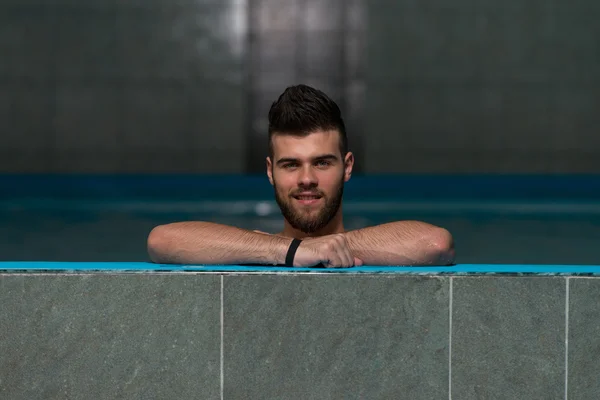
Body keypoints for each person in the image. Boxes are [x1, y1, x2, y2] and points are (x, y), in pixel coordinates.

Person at [147, 84, 455, 268]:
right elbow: (161, 241)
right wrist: (291, 250)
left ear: (347, 167)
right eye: (291, 164)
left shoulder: (367, 246)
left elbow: (435, 243)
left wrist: (326, 248)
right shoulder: (260, 248)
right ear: (270, 171)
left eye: (321, 163)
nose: (306, 179)